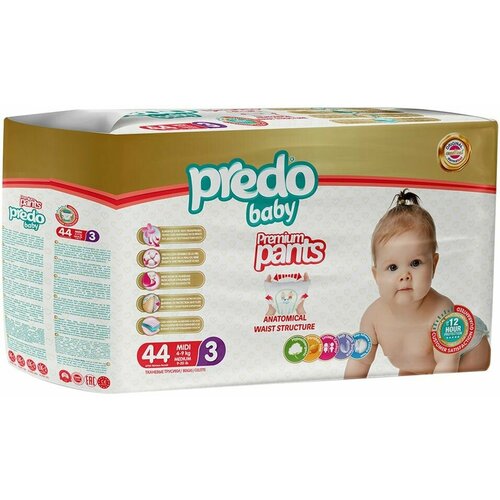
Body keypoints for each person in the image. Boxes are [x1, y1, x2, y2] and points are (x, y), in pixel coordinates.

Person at [345, 189, 490, 378]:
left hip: (468, 352)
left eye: (415, 263)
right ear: (376, 275)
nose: (404, 276)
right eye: (392, 267)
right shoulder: (372, 317)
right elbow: (360, 360)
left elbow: (446, 363)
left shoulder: (441, 311)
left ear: (434, 265)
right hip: (416, 364)